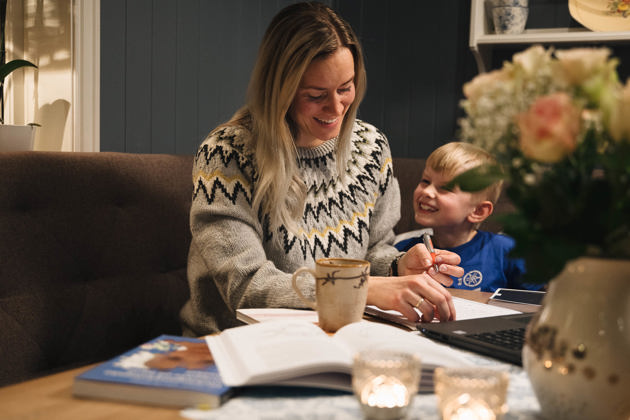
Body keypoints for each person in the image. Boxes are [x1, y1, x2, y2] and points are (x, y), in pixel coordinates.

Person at [180, 2, 464, 336]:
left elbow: (375, 250)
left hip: (342, 335)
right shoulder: (227, 154)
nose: (336, 107)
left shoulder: (371, 148)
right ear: (281, 91)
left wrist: (400, 264)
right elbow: (247, 286)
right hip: (237, 343)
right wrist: (360, 289)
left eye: (345, 87)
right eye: (316, 95)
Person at [395, 142, 542, 292]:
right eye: (425, 181)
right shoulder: (404, 253)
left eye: (445, 188)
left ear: (478, 211)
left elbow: (538, 301)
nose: (427, 191)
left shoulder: (507, 251)